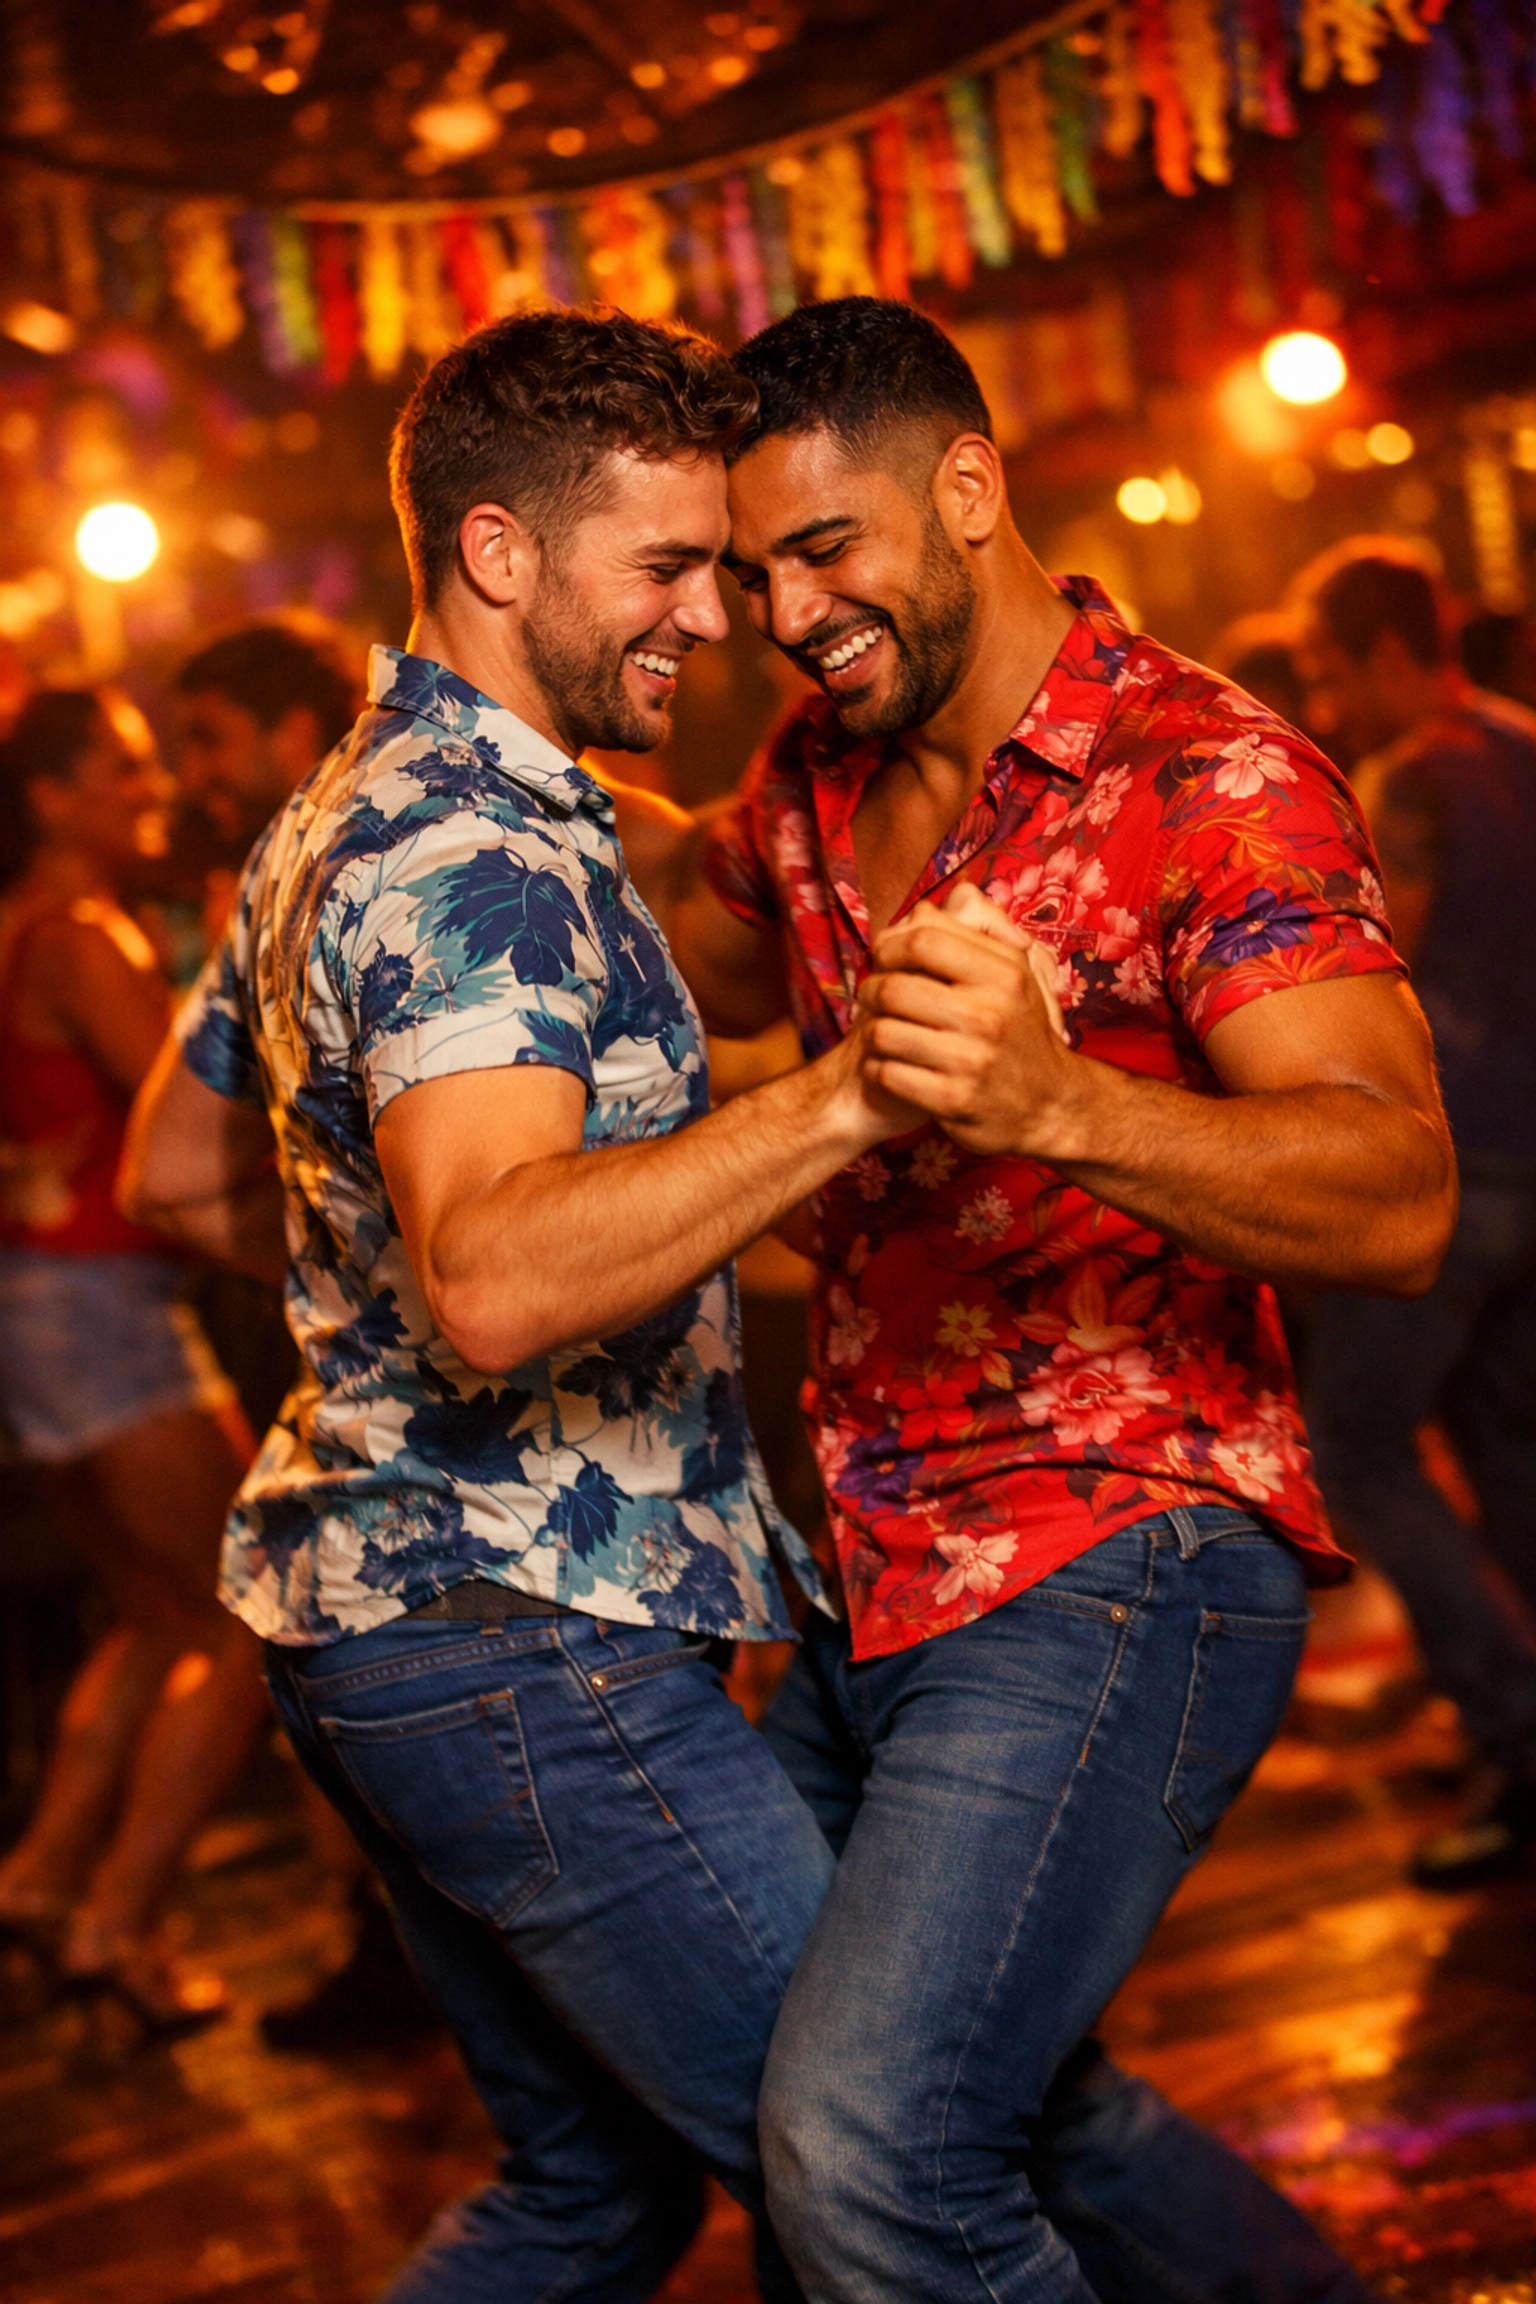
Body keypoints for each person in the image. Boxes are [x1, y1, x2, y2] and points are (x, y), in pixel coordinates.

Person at [636, 297, 1453, 2304]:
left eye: (828, 549)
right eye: (749, 574)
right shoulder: (816, 776)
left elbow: (1400, 1190)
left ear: (970, 491)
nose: (787, 611)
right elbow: (705, 959)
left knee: (871, 2148)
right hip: (877, 1565)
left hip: (1125, 1546)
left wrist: (1062, 1101)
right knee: (964, 2101)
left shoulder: (1208, 772)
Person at [120, 307, 924, 2303]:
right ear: (500, 554)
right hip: (517, 1644)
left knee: (597, 2197)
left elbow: (174, 1173)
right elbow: (486, 1276)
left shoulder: (337, 814)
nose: (708, 622)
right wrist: (852, 1090)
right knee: (895, 2168)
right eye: (663, 571)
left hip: (387, 1619)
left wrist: (388, 1275)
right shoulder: (470, 847)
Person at [0, 688, 267, 2033]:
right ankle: (122, 1920)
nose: (150, 784)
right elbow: (186, 1120)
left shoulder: (15, 935)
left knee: (156, 1617)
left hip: (40, 1311)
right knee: (249, 1617)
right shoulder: (81, 939)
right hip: (107, 1313)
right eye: (121, 768)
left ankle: (43, 1881)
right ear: (49, 796)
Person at [1299, 542, 1536, 1887]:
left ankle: (1515, 1729)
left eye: (1335, 673)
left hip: (1462, 1181)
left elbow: (1370, 978)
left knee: (1359, 1450)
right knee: (1506, 1447)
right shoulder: (1522, 742)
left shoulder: (1418, 779)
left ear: (1393, 653)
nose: (1327, 706)